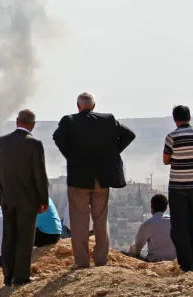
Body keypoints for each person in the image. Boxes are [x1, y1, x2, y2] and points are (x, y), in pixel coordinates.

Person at [53, 92, 136, 269]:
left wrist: (71, 156)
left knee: (79, 221)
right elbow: (129, 134)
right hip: (102, 178)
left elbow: (57, 137)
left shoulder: (69, 121)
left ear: (78, 106)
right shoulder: (108, 120)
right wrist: (112, 153)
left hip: (79, 178)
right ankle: (101, 260)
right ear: (94, 106)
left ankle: (82, 261)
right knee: (100, 219)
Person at [0, 109, 49, 286]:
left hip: (7, 198)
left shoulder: (1, 142)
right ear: (33, 125)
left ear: (17, 121)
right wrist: (44, 199)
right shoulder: (34, 144)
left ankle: (7, 276)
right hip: (28, 200)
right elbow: (39, 175)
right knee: (25, 238)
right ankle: (21, 276)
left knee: (9, 237)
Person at [162, 105, 193, 272]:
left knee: (179, 227)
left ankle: (186, 264)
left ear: (175, 119)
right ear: (189, 117)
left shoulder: (172, 136)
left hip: (178, 186)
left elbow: (166, 160)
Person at [127, 194, 177, 262]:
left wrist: (131, 250)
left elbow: (137, 249)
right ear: (166, 208)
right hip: (174, 262)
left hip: (154, 262)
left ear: (151, 207)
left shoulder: (147, 224)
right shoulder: (175, 223)